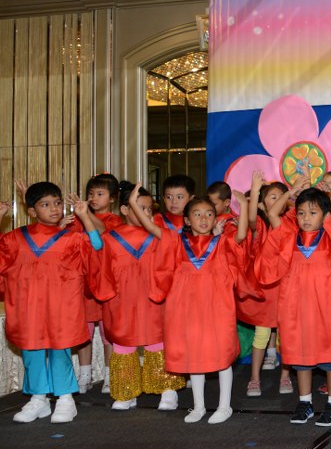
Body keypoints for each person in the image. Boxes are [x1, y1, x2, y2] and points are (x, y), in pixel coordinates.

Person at [255, 178, 331, 427]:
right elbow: (272, 213)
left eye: (313, 213)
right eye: (302, 212)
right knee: (300, 355)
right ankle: (305, 402)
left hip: (327, 308)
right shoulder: (288, 237)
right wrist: (291, 193)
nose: (306, 218)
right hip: (296, 308)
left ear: (325, 216)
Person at [144, 190, 249, 424]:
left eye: (209, 214)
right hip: (187, 308)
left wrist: (242, 207)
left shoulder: (221, 243)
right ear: (187, 220)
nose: (203, 219)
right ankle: (199, 406)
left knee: (221, 353)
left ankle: (224, 406)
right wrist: (134, 204)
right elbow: (154, 230)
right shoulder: (177, 243)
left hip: (217, 306)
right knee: (194, 353)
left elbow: (241, 235)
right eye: (197, 214)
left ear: (215, 218)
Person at [0, 182, 101, 423]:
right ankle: (39, 399)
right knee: (32, 351)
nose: (54, 209)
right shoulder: (16, 238)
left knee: (60, 350)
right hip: (28, 307)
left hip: (60, 307)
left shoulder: (71, 238)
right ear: (32, 211)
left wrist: (85, 216)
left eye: (57, 203)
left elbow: (96, 246)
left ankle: (66, 399)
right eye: (45, 205)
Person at [91, 182, 186, 411]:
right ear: (125, 209)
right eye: (140, 208)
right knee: (124, 343)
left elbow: (173, 257)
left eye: (149, 209)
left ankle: (168, 390)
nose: (147, 213)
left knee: (157, 342)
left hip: (153, 297)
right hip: (122, 300)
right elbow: (101, 271)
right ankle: (127, 392)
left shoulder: (159, 236)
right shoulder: (110, 238)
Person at [239, 174, 293, 396]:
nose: (278, 199)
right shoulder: (260, 226)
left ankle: (285, 377)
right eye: (273, 197)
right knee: (261, 335)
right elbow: (251, 218)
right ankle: (254, 378)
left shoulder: (291, 223)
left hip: (287, 288)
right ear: (262, 205)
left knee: (287, 335)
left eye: (282, 196)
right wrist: (254, 190)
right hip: (265, 291)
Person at [77, 172, 122, 394]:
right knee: (84, 333)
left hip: (106, 283)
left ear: (112, 198)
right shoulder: (78, 220)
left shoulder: (115, 221)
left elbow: (102, 231)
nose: (94, 197)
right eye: (91, 193)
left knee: (108, 333)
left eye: (100, 194)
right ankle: (85, 375)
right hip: (83, 284)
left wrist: (85, 214)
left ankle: (109, 375)